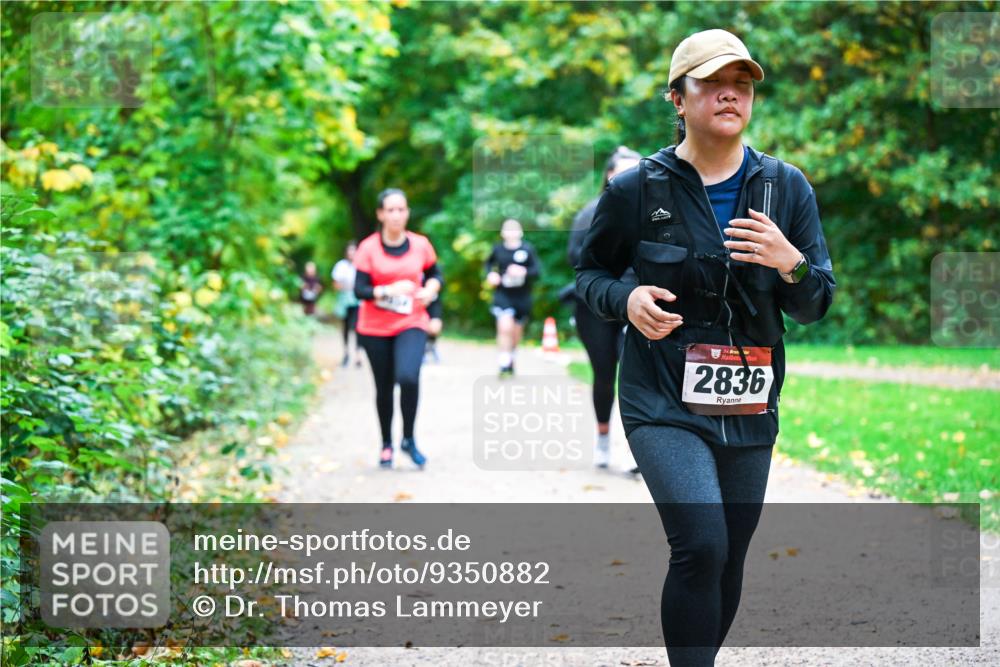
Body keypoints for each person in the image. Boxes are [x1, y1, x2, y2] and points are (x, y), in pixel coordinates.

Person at [575, 29, 835, 666]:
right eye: (713, 83)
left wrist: (791, 262)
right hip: (661, 395)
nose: (730, 95)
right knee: (701, 545)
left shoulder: (785, 187)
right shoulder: (637, 189)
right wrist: (626, 300)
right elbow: (590, 275)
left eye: (741, 84)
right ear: (678, 98)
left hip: (750, 397)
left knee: (730, 555)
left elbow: (815, 303)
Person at [353, 189, 442, 469]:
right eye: (390, 210)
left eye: (401, 209)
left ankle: (408, 439)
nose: (396, 215)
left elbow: (435, 275)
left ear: (407, 213)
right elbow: (359, 290)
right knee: (384, 387)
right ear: (380, 214)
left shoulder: (420, 245)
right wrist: (387, 290)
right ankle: (386, 444)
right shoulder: (368, 248)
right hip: (374, 328)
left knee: (408, 377)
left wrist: (431, 291)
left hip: (411, 321)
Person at [567, 146, 642, 470]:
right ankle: (602, 438)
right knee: (604, 374)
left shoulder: (655, 212)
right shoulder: (589, 213)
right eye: (623, 171)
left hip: (636, 305)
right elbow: (577, 259)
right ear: (609, 175)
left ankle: (636, 448)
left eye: (636, 171)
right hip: (594, 308)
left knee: (634, 374)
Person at [485, 218, 541, 377]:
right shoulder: (497, 249)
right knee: (504, 327)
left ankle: (511, 358)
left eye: (514, 229)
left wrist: (523, 271)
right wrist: (491, 275)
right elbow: (488, 265)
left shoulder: (527, 249)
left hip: (522, 296)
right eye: (507, 229)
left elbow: (537, 271)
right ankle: (503, 362)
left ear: (520, 232)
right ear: (502, 233)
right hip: (503, 294)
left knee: (516, 332)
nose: (511, 233)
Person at [332, 241, 361, 367]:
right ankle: (346, 353)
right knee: (345, 326)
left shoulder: (361, 265)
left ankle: (358, 355)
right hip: (344, 299)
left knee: (358, 327)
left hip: (358, 299)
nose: (351, 253)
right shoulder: (341, 266)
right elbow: (336, 284)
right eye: (350, 250)